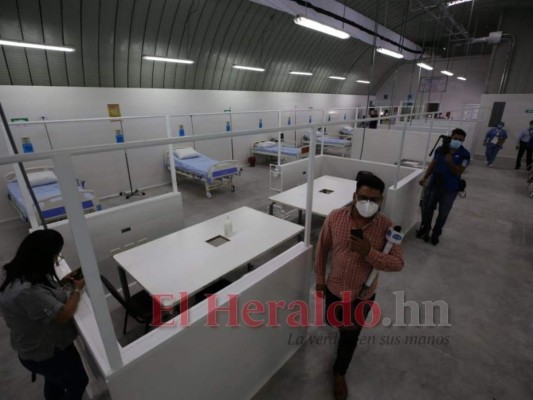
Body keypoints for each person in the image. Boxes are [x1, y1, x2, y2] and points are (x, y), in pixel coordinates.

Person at [315, 174, 404, 400]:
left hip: (363, 294)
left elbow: (398, 264)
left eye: (374, 200)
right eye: (364, 198)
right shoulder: (335, 218)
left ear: (381, 200)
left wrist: (369, 252)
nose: (368, 204)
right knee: (333, 320)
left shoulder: (387, 227)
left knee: (350, 335)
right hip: (334, 288)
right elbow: (322, 249)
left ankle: (339, 372)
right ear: (355, 196)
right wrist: (320, 280)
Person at [0, 230, 88, 400]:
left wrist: (62, 284)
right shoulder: (28, 291)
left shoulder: (21, 271)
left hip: (42, 347)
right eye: (56, 255)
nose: (57, 259)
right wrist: (77, 289)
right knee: (78, 382)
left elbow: (44, 297)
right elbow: (64, 315)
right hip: (44, 351)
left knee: (55, 381)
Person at [417, 128, 470, 245]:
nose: (458, 141)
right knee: (427, 208)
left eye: (461, 140)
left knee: (443, 213)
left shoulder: (465, 154)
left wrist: (450, 162)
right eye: (456, 139)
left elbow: (459, 171)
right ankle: (426, 228)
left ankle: (436, 234)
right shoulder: (440, 149)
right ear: (451, 137)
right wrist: (425, 177)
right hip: (434, 184)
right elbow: (433, 163)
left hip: (450, 188)